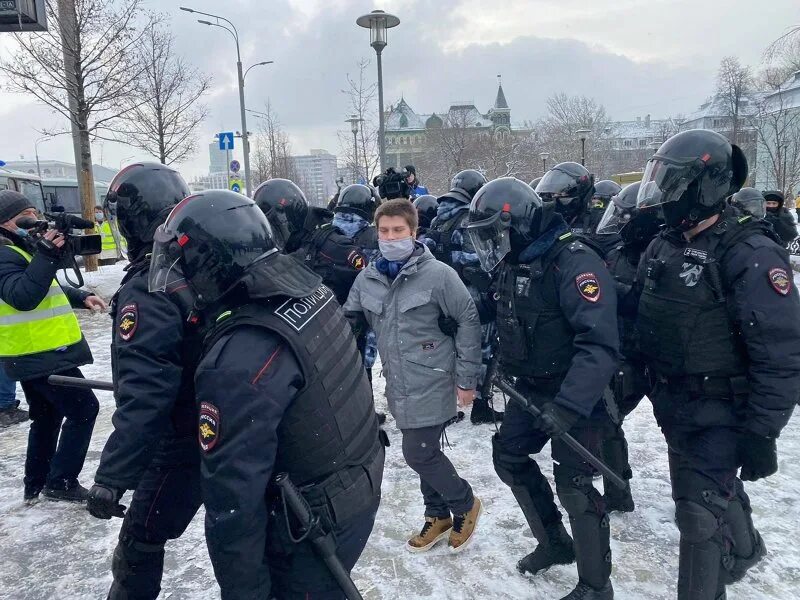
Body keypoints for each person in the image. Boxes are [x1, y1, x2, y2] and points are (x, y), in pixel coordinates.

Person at [148, 190, 384, 599]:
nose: (178, 280)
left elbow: (233, 504)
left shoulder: (240, 357)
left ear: (212, 262)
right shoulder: (312, 292)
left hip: (310, 529)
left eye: (184, 266)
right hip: (356, 488)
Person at [635, 129, 800, 600]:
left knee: (696, 515)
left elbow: (782, 352)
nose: (664, 192)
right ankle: (745, 548)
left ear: (705, 185)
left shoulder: (750, 253)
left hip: (725, 409)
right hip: (675, 403)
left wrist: (762, 431)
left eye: (674, 182)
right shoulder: (664, 245)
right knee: (708, 494)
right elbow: (641, 316)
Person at [466, 177, 619, 599]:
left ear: (518, 225)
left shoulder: (574, 262)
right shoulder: (518, 260)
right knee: (509, 456)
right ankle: (554, 541)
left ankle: (595, 584)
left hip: (578, 393)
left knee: (575, 484)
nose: (491, 246)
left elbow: (599, 344)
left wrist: (568, 405)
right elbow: (502, 305)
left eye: (493, 235)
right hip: (531, 387)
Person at [86, 163, 203, 600]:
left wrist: (112, 477)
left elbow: (148, 393)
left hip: (178, 439)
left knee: (139, 541)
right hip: (219, 424)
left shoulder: (151, 286)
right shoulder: (200, 263)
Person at [344, 198, 484, 554]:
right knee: (424, 448)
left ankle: (465, 503)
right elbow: (349, 325)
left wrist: (467, 380)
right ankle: (437, 514)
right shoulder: (367, 279)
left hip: (435, 376)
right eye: (384, 231)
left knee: (418, 453)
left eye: (398, 231)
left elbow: (468, 320)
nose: (391, 238)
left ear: (413, 232)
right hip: (398, 381)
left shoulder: (438, 275)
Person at [0, 189, 102, 502]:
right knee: (85, 409)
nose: (33, 221)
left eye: (34, 213)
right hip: (39, 353)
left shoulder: (20, 248)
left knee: (47, 416)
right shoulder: (3, 253)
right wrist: (45, 254)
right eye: (24, 217)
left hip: (38, 353)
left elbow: (44, 284)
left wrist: (81, 296)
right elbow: (22, 295)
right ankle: (61, 481)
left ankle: (37, 481)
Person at [595, 181, 662, 513]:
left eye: (624, 217)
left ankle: (703, 503)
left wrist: (614, 289)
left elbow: (648, 301)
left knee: (686, 438)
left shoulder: (664, 252)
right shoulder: (618, 251)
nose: (618, 223)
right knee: (608, 421)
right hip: (625, 354)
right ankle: (618, 490)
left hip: (660, 358)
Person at [425, 169, 504, 424]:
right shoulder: (469, 219)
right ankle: (481, 404)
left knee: (447, 352)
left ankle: (444, 408)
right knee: (482, 349)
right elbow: (484, 260)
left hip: (442, 295)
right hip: (473, 296)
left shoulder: (439, 218)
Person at [253, 178, 367, 306]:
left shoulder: (334, 247)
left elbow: (368, 290)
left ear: (285, 215)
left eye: (273, 225)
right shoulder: (292, 245)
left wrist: (348, 320)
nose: (272, 233)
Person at [535, 162, 596, 236]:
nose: (554, 198)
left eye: (560, 194)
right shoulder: (546, 219)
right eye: (551, 194)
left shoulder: (594, 221)